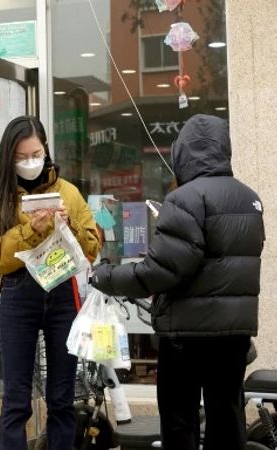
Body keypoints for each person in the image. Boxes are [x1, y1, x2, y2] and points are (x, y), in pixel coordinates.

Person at [91, 114, 263, 450]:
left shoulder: (185, 198)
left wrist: (105, 276)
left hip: (186, 335)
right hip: (234, 335)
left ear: (181, 152)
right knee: (227, 420)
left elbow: (159, 271)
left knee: (179, 421)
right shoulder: (250, 199)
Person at [0, 116, 99, 450]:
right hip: (18, 293)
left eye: (37, 153)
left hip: (63, 293)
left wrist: (66, 223)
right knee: (16, 399)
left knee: (62, 396)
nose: (31, 162)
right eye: (22, 156)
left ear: (46, 149)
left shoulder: (68, 192)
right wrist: (32, 229)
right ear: (9, 157)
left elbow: (93, 245)